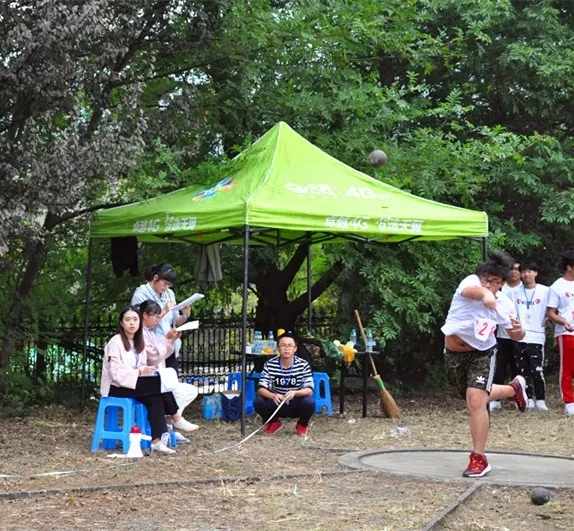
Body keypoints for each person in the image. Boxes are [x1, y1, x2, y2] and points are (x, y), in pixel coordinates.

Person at [442, 251, 528, 478]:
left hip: (483, 354)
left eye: (494, 282)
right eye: (485, 280)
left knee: (476, 400)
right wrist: (485, 293)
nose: (488, 284)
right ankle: (512, 390)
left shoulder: (505, 305)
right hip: (453, 354)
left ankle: (479, 458)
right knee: (470, 397)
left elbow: (516, 335)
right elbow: (473, 291)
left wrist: (519, 331)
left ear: (502, 284)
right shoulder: (471, 282)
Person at [100, 306, 198, 454]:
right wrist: (139, 371)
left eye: (135, 319)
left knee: (155, 397)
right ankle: (176, 417)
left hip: (135, 384)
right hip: (116, 386)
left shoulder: (138, 341)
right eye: (127, 320)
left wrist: (146, 370)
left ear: (139, 322)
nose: (131, 323)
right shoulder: (115, 342)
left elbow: (143, 363)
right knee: (159, 383)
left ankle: (157, 441)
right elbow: (115, 374)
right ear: (121, 323)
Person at [139, 299, 200, 442]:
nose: (157, 320)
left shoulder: (150, 333)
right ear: (145, 315)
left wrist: (171, 340)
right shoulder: (140, 334)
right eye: (156, 317)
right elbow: (153, 357)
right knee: (162, 385)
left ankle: (170, 422)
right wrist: (166, 339)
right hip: (142, 379)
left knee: (189, 390)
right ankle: (174, 421)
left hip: (151, 378)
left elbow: (162, 354)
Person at [131, 263, 191, 374]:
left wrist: (185, 315)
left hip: (170, 347)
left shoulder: (169, 294)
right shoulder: (141, 294)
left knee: (172, 381)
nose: (166, 287)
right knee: (157, 382)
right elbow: (142, 323)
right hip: (152, 351)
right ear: (155, 278)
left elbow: (175, 320)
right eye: (165, 283)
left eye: (169, 285)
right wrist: (164, 311)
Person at [254, 332, 315, 436]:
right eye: (283, 345)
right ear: (278, 348)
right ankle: (273, 422)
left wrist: (295, 393)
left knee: (309, 403)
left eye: (289, 345)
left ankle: (302, 424)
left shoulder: (303, 365)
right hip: (277, 401)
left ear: (295, 349)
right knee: (258, 402)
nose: (286, 349)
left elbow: (309, 390)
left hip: (295, 401)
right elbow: (260, 388)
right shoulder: (270, 364)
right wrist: (273, 395)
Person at [510, 262, 549, 411]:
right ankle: (528, 398)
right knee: (523, 370)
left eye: (530, 271)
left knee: (537, 370)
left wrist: (549, 317)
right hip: (520, 335)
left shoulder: (545, 291)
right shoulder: (514, 292)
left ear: (536, 273)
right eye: (524, 271)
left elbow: (555, 307)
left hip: (537, 335)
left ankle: (540, 399)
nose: (526, 274)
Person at [490, 260, 522, 411]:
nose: (513, 272)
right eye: (511, 269)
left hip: (517, 333)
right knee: (499, 366)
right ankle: (496, 398)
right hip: (499, 335)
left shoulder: (524, 289)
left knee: (517, 365)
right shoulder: (499, 289)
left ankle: (517, 396)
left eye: (517, 269)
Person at [546, 250, 574, 416]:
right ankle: (569, 401)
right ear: (569, 267)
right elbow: (551, 312)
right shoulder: (557, 286)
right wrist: (563, 322)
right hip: (567, 332)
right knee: (567, 367)